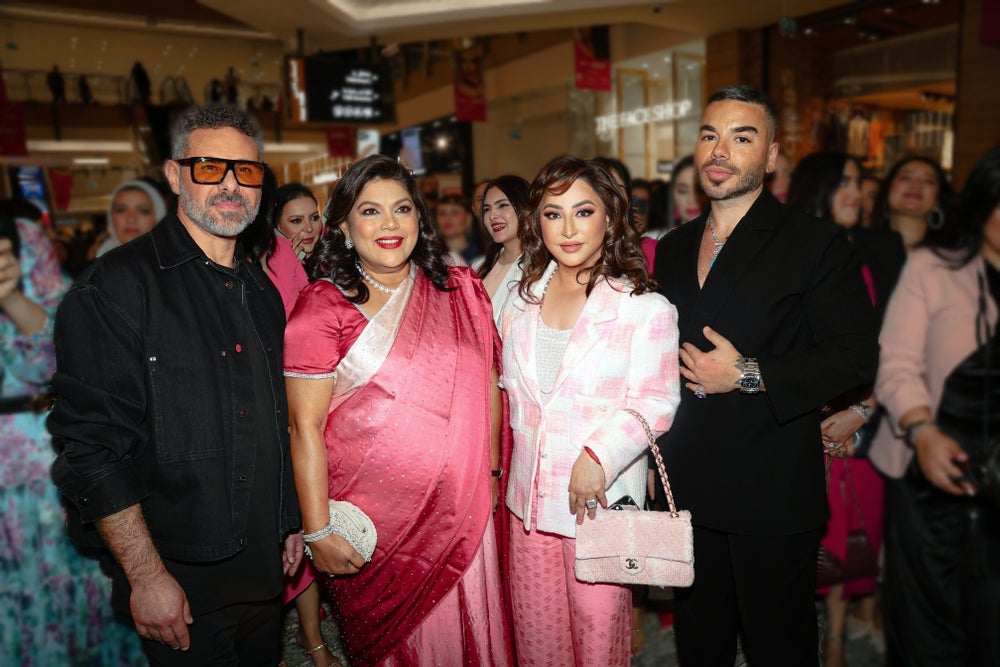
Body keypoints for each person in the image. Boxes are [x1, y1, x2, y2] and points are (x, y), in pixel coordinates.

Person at [48, 104, 303, 665]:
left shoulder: (261, 290)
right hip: (180, 587)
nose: (231, 185)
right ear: (174, 174)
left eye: (246, 171)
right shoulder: (115, 288)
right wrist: (146, 576)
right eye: (210, 168)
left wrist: (288, 517)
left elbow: (274, 416)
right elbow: (92, 450)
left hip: (263, 575)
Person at [652, 85, 878, 665]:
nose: (719, 150)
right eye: (710, 135)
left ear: (771, 155)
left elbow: (855, 355)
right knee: (699, 645)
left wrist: (747, 373)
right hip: (687, 483)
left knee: (778, 645)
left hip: (771, 486)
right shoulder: (673, 247)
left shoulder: (814, 243)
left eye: (741, 137)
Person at [284, 154, 512, 666]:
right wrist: (317, 530)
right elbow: (303, 427)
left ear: (418, 219)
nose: (389, 224)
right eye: (370, 211)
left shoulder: (461, 291)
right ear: (344, 228)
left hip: (464, 512)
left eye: (402, 209)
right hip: (376, 529)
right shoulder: (323, 307)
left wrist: (493, 472)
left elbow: (489, 385)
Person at [501, 155, 680, 665]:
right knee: (537, 643)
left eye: (583, 212)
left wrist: (598, 454)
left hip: (599, 506)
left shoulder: (642, 307)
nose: (568, 229)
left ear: (610, 216)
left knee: (599, 645)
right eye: (553, 214)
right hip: (529, 506)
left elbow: (657, 401)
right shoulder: (519, 303)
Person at [870, 146, 1000, 666]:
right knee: (932, 627)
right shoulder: (933, 267)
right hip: (932, 469)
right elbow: (896, 364)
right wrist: (922, 430)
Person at [0, 208, 145, 665]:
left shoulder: (19, 238)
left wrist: (11, 298)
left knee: (67, 589)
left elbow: (57, 359)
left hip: (34, 459)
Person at [786, 151, 895, 665]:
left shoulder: (871, 253)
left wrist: (863, 412)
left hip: (859, 413)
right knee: (806, 538)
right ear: (820, 188)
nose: (856, 193)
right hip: (799, 415)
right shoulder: (789, 252)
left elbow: (890, 346)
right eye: (845, 182)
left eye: (858, 183)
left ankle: (835, 637)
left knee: (852, 528)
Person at [476, 174, 530, 326]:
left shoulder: (539, 269)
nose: (492, 216)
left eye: (502, 205)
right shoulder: (480, 266)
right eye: (487, 209)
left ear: (524, 207)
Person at [869, 156, 953, 252]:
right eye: (906, 178)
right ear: (887, 191)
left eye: (928, 181)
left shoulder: (953, 255)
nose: (916, 185)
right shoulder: (860, 247)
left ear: (937, 201)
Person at [643, 155, 701, 270]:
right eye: (683, 191)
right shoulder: (651, 244)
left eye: (699, 190)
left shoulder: (732, 242)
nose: (691, 200)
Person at [94, 178, 168, 258]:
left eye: (143, 211)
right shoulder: (101, 259)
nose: (131, 219)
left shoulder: (171, 259)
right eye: (121, 210)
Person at [435, 192, 481, 265]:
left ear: (468, 218)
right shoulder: (431, 256)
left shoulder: (481, 256)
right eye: (442, 213)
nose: (447, 218)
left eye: (455, 212)